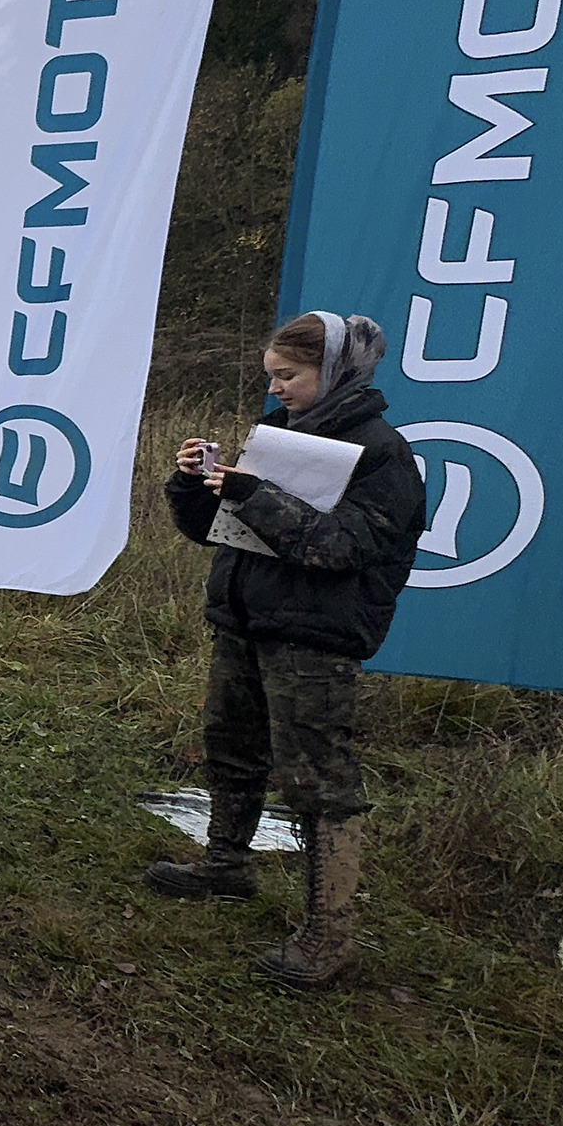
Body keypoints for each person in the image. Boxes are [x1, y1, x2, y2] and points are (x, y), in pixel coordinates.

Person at [149, 312, 426, 989]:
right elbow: (224, 530)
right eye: (271, 377)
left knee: (320, 781)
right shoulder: (284, 435)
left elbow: (343, 547)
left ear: (333, 370)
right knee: (231, 744)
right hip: (245, 618)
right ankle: (225, 863)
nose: (277, 390)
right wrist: (198, 485)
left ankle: (329, 932)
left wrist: (255, 492)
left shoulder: (382, 453)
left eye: (289, 376)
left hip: (314, 638)